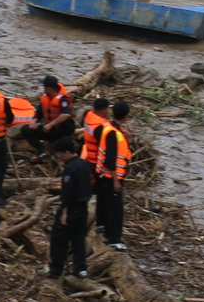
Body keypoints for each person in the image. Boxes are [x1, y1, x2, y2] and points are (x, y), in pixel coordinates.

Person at [47, 134, 93, 279]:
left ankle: (56, 268)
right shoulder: (85, 164)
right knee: (78, 237)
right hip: (83, 207)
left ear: (67, 152)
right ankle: (80, 268)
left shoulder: (70, 169)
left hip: (71, 208)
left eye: (61, 154)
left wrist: (64, 212)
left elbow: (67, 192)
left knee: (59, 238)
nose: (60, 157)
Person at [94, 99, 132, 249]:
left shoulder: (107, 127)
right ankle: (113, 239)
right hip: (112, 177)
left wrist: (127, 136)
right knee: (115, 209)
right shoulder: (114, 134)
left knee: (102, 203)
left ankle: (101, 225)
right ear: (126, 116)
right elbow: (111, 159)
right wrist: (116, 180)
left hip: (102, 174)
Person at [20, 75, 74, 156]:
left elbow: (66, 114)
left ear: (49, 88)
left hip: (61, 131)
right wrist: (34, 121)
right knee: (25, 129)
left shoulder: (63, 99)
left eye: (44, 86)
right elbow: (39, 112)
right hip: (48, 130)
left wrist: (51, 125)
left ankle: (54, 148)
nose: (43, 88)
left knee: (68, 122)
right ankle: (42, 149)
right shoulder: (45, 98)